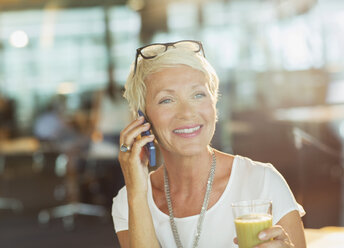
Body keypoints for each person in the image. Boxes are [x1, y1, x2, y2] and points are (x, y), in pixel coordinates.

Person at [111, 40, 306, 248]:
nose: (187, 113)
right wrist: (137, 194)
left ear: (214, 105)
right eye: (166, 100)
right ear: (142, 118)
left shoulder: (261, 182)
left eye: (198, 95)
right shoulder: (129, 201)